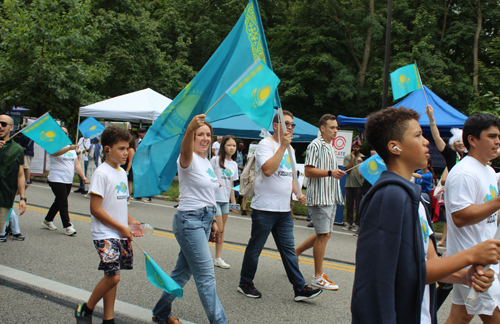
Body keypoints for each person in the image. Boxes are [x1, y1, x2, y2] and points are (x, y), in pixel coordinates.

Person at [351, 107, 500, 324]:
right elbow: (378, 280)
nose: (426, 142)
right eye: (418, 135)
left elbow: (425, 264)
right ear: (394, 147)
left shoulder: (413, 197)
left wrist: (463, 276)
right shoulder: (389, 197)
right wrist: (471, 255)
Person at [238, 110, 322, 302]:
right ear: (276, 126)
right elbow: (267, 170)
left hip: (284, 210)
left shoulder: (290, 149)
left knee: (288, 250)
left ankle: (299, 288)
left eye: (292, 124)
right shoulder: (265, 145)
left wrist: (298, 193)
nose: (291, 127)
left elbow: (290, 175)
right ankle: (245, 283)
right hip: (264, 209)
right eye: (287, 123)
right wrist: (282, 147)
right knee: (255, 248)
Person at [152, 114, 226, 324]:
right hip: (189, 221)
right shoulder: (187, 157)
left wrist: (212, 221)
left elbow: (208, 194)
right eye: (199, 134)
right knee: (206, 276)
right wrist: (188, 129)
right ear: (192, 137)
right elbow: (184, 149)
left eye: (208, 135)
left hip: (203, 220)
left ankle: (160, 313)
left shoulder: (205, 160)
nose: (204, 138)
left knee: (182, 274)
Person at [75, 125, 142, 324]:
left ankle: (108, 319)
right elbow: (95, 209)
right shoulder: (101, 173)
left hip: (119, 232)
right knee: (113, 277)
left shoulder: (121, 172)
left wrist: (131, 222)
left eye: (128, 148)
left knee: (112, 275)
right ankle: (86, 308)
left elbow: (118, 205)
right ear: (107, 149)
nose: (126, 152)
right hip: (104, 233)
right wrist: (121, 227)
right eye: (121, 148)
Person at [444, 113, 500, 323]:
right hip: (473, 265)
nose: (497, 142)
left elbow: (490, 215)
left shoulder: (487, 169)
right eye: (492, 136)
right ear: (472, 140)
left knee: (461, 316)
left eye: (498, 137)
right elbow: (460, 216)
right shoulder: (464, 173)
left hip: (484, 260)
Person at [294, 114, 346, 290]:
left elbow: (326, 171)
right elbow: (308, 171)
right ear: (322, 128)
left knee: (324, 233)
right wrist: (331, 173)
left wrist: (333, 173)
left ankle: (296, 252)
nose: (335, 130)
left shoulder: (330, 147)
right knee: (323, 235)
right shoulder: (315, 145)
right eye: (332, 127)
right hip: (319, 198)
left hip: (329, 196)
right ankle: (317, 276)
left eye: (336, 127)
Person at [426, 104, 466, 247]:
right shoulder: (451, 155)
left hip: (469, 191)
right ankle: (449, 244)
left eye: (462, 140)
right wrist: (431, 118)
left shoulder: (473, 156)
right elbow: (437, 138)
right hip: (454, 192)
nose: (460, 143)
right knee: (451, 218)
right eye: (457, 141)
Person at [42, 127, 88, 235]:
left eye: (66, 133)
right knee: (63, 202)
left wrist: (83, 176)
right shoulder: (53, 145)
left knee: (59, 201)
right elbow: (56, 153)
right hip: (56, 179)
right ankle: (68, 226)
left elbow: (76, 163)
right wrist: (69, 148)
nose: (64, 134)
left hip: (68, 180)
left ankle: (47, 220)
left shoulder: (70, 148)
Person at [210, 135, 239, 269]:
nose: (232, 148)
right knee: (218, 229)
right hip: (214, 200)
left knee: (221, 231)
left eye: (234, 145)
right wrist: (216, 182)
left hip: (225, 201)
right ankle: (203, 255)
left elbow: (232, 185)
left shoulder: (233, 164)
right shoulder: (215, 160)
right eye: (229, 145)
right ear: (223, 146)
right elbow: (207, 176)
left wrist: (233, 203)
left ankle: (218, 258)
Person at [0, 114, 26, 242]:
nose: (0, 126)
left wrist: (22, 197)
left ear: (11, 128)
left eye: (3, 124)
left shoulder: (17, 149)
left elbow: (20, 175)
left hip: (5, 196)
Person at [342, 139, 364, 232]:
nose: (355, 148)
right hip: (349, 184)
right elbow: (348, 169)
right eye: (354, 147)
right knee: (349, 205)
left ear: (360, 148)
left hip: (359, 184)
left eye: (357, 147)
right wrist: (353, 158)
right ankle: (349, 223)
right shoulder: (347, 157)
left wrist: (359, 160)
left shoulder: (363, 157)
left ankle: (357, 224)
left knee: (359, 205)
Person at [120, 138, 135, 204]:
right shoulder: (126, 149)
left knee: (129, 183)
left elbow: (130, 161)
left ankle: (128, 199)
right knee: (124, 183)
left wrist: (127, 170)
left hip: (128, 167)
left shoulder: (131, 150)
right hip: (123, 165)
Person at [235, 140, 248, 215]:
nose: (242, 148)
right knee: (236, 189)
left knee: (241, 189)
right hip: (236, 173)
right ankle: (236, 204)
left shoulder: (241, 152)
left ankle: (238, 204)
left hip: (241, 173)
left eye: (243, 147)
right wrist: (240, 167)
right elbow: (233, 162)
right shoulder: (235, 152)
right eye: (240, 147)